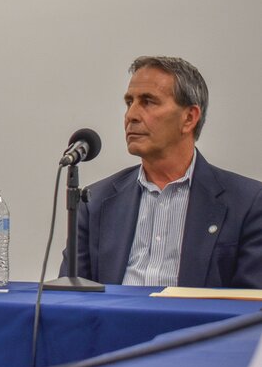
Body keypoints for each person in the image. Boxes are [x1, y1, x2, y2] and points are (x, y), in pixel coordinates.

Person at [61, 56, 262, 287]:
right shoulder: (95, 202)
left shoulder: (247, 203)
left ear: (189, 118)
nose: (131, 116)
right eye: (129, 102)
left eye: (148, 102)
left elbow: (250, 308)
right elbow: (70, 299)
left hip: (199, 323)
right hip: (114, 322)